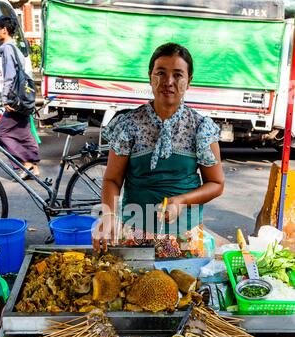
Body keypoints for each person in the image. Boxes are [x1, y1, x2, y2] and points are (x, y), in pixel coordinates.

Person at [93, 42, 224, 257]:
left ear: (188, 81)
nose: (168, 82)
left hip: (185, 236)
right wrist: (108, 217)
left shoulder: (201, 128)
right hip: (135, 232)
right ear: (150, 77)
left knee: (187, 289)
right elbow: (112, 180)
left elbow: (216, 184)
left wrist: (181, 200)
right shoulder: (129, 125)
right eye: (160, 73)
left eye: (178, 74)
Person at [0, 15, 40, 179]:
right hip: (25, 98)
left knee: (2, 133)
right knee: (24, 134)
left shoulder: (7, 48)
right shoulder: (16, 48)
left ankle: (25, 162)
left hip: (15, 100)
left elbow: (10, 77)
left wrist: (5, 99)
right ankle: (34, 166)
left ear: (4, 30)